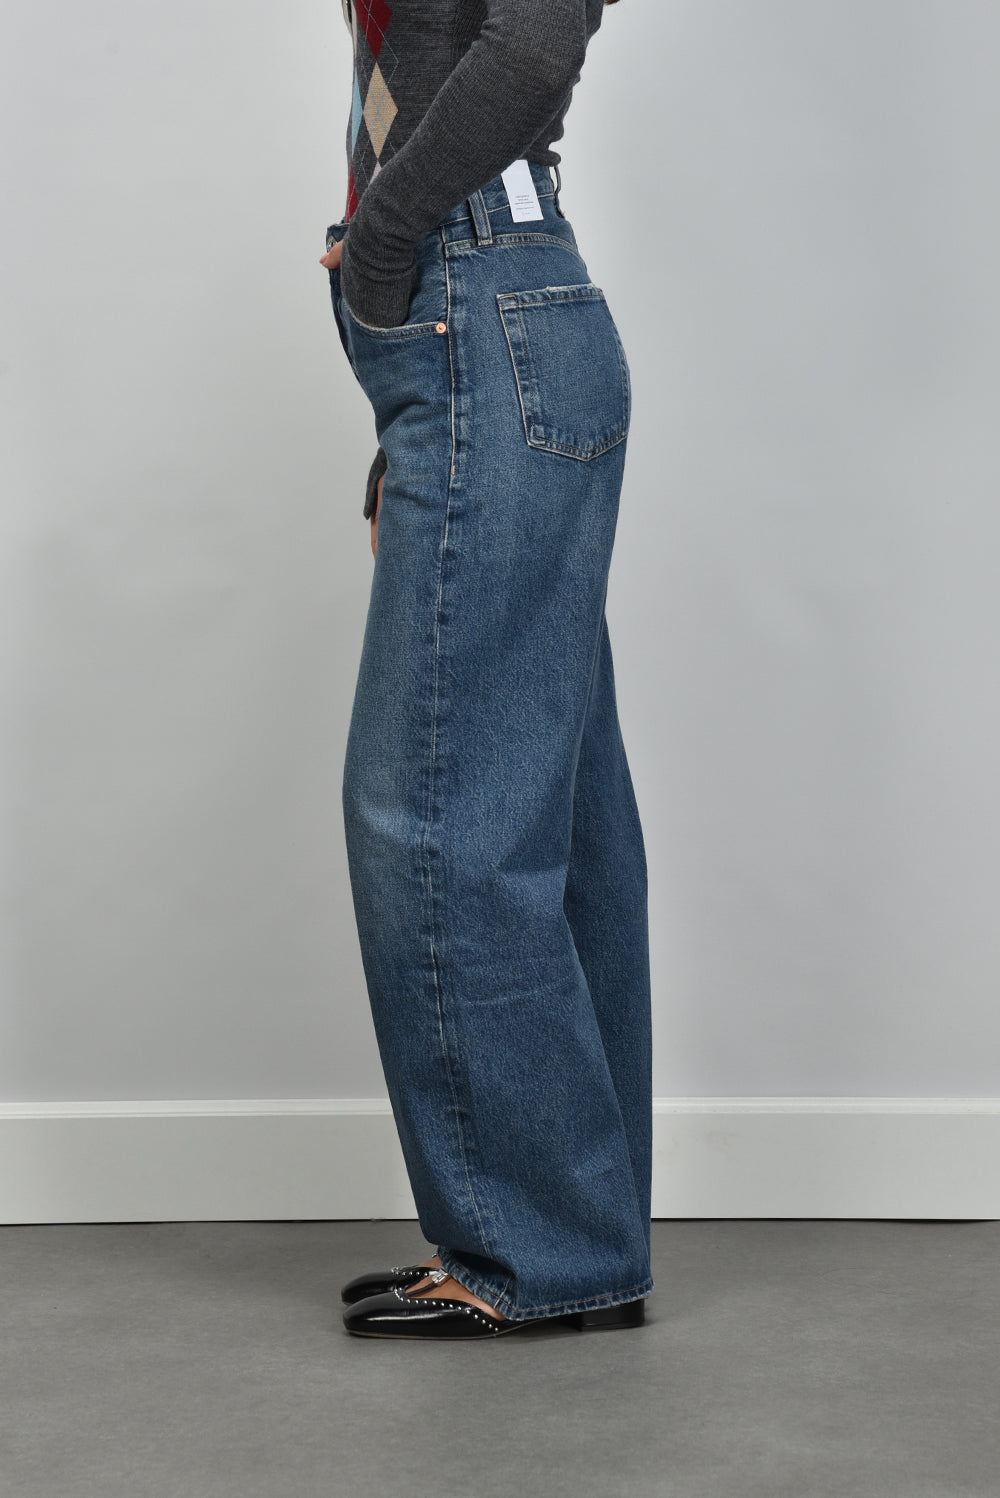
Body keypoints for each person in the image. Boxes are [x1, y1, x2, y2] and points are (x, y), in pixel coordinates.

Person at [318, 0, 652, 1340]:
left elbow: (533, 42)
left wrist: (381, 251)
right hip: (476, 334)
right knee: (554, 817)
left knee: (433, 812)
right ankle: (578, 1234)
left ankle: (536, 1247)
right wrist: (413, 400)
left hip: (476, 308)